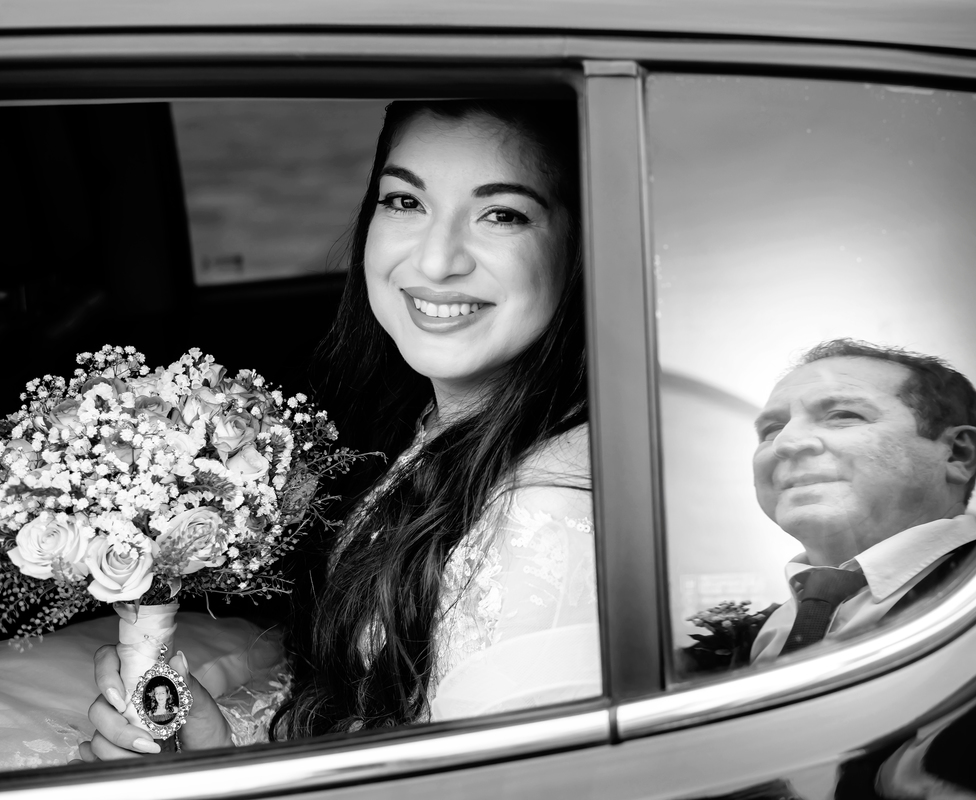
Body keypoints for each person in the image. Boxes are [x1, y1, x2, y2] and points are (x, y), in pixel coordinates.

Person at [75, 97, 598, 760]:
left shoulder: (548, 521)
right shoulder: (437, 425)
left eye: (502, 214)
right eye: (405, 202)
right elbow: (375, 713)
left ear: (580, 246)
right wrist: (220, 743)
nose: (436, 262)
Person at [749, 339, 976, 663]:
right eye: (772, 428)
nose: (785, 443)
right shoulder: (758, 634)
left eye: (842, 415)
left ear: (958, 454)